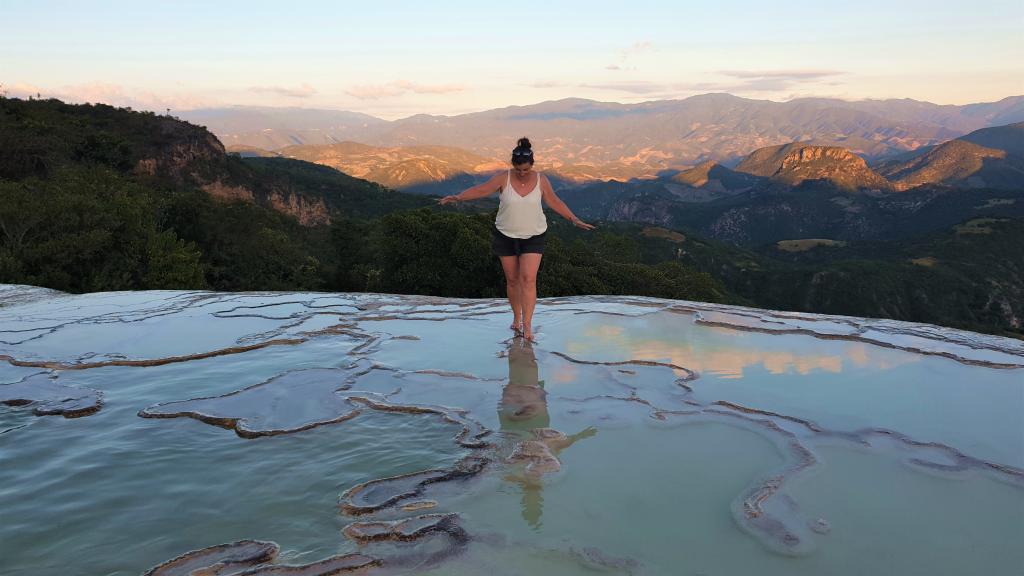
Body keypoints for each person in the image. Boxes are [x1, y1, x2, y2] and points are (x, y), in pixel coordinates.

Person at [439, 137, 594, 341]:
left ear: (532, 165)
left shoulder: (541, 180)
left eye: (526, 170)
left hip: (534, 236)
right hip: (505, 235)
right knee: (512, 281)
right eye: (519, 169)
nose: (522, 173)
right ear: (513, 165)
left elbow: (554, 201)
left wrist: (573, 218)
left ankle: (528, 326)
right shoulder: (503, 178)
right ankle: (516, 318)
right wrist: (458, 197)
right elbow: (481, 190)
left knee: (528, 279)